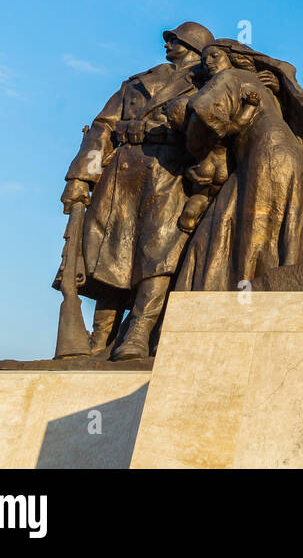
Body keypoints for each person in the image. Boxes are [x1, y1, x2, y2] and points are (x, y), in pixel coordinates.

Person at [57, 21, 214, 360]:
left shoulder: (208, 83)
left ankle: (139, 333)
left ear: (192, 44)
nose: (167, 43)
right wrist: (81, 177)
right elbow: (102, 128)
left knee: (159, 253)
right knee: (109, 254)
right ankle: (100, 339)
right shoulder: (137, 82)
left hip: (171, 170)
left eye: (174, 39)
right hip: (122, 171)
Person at [174, 40, 303, 290]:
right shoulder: (261, 85)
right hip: (289, 152)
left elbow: (202, 109)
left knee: (249, 224)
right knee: (281, 223)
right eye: (204, 60)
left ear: (232, 57)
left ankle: (243, 289)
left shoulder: (229, 76)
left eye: (214, 56)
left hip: (265, 151)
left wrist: (197, 147)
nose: (208, 63)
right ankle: (282, 282)